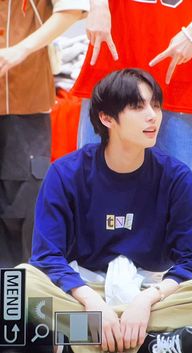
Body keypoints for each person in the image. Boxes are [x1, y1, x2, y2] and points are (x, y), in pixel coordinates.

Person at [18, 69, 192, 353]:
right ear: (106, 118)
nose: (153, 116)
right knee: (20, 283)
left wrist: (144, 303)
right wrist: (92, 301)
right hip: (85, 289)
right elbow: (46, 256)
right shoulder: (65, 173)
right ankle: (149, 343)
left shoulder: (176, 177)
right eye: (138, 106)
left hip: (151, 293)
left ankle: (84, 341)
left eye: (155, 105)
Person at [71, 0, 192, 184]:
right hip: (116, 49)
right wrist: (98, 5)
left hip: (181, 58)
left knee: (175, 193)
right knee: (93, 187)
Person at [0, 0, 89, 267]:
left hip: (25, 96)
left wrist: (21, 49)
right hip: (23, 95)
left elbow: (72, 8)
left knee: (23, 204)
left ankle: (15, 296)